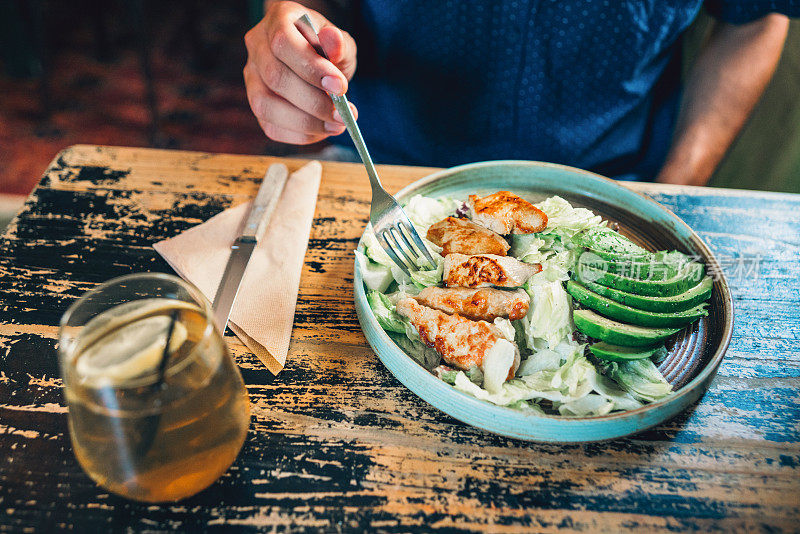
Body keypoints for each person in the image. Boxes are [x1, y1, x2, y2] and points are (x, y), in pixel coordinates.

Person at [243, 1, 795, 185]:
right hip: (381, 169)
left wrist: (675, 191)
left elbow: (753, 20)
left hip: (610, 181)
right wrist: (297, 29)